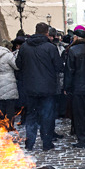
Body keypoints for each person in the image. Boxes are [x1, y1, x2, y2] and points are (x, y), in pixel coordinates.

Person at [16, 22, 63, 151]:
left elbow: (18, 64)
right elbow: (59, 66)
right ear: (47, 32)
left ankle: (30, 143)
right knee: (47, 116)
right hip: (48, 87)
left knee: (31, 115)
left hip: (30, 87)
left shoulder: (25, 47)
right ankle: (47, 143)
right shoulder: (50, 47)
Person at [64, 28, 85, 148]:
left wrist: (67, 87)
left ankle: (83, 138)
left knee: (79, 114)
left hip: (77, 87)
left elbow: (69, 71)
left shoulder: (73, 50)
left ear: (76, 38)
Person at [0, 41, 19, 130]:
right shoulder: (8, 55)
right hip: (8, 81)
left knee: (1, 106)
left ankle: (2, 125)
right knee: (10, 106)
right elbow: (16, 66)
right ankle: (10, 126)